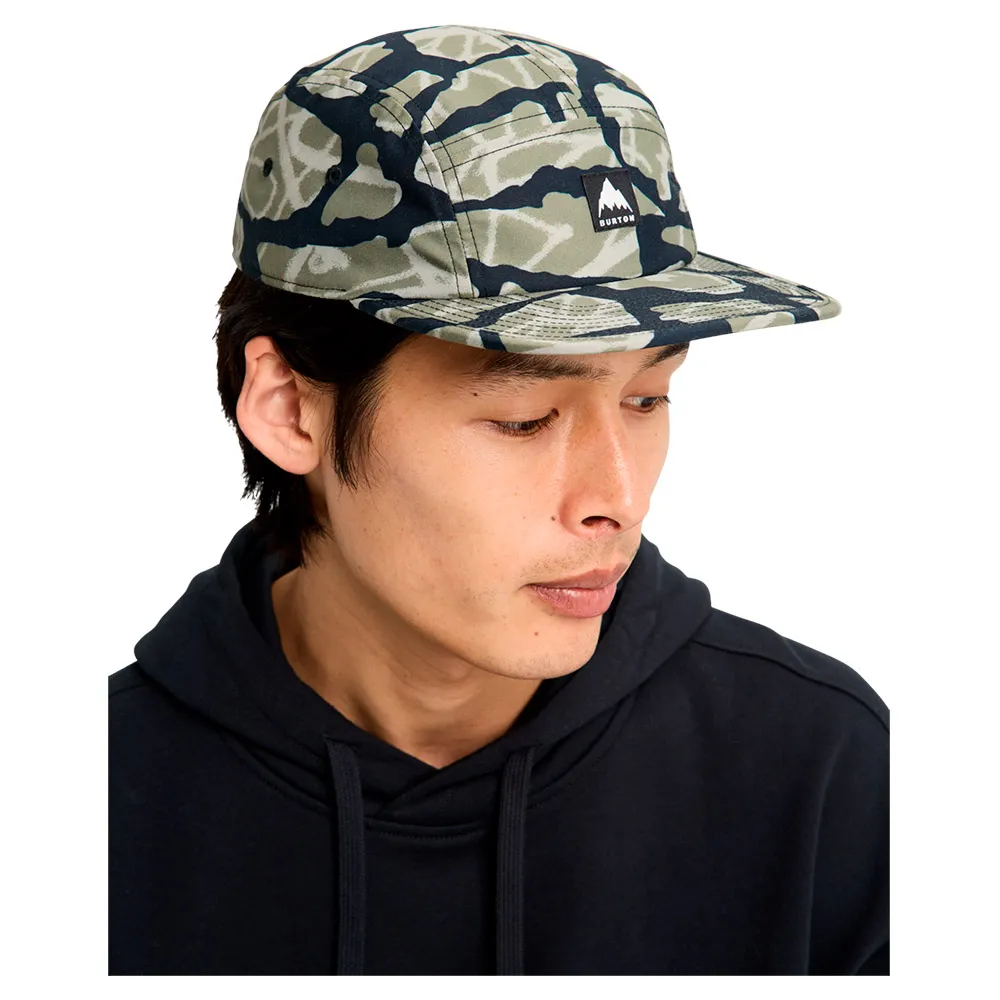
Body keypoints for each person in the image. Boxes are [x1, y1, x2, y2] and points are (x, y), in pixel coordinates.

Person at [108, 23, 888, 975]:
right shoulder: (90, 806)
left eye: (647, 398)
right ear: (288, 407)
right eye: (524, 419)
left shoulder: (824, 772)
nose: (619, 499)